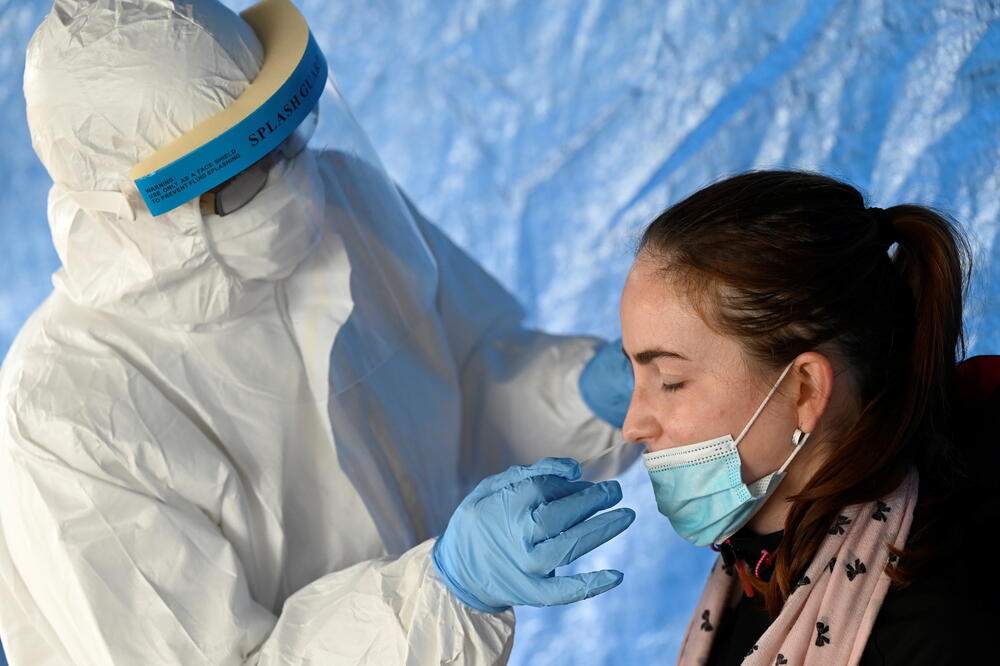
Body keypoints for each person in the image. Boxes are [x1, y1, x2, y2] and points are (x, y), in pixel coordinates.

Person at [0, 1, 638, 664]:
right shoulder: (65, 417)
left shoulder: (346, 203)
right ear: (130, 213)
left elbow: (466, 393)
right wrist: (443, 595)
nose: (291, 182)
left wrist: (583, 398)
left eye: (286, 135)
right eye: (242, 171)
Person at [618, 169, 1000, 665]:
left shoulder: (935, 631)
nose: (631, 424)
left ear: (806, 389)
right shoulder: (759, 564)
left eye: (669, 379)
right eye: (631, 371)